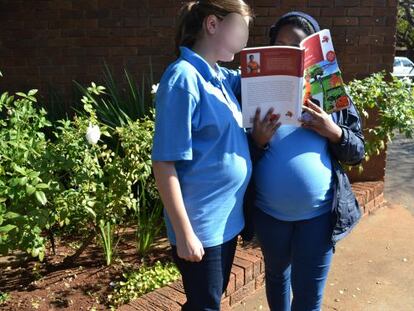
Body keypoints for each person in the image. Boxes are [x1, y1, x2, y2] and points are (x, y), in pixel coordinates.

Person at [151, 1, 279, 310]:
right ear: (212, 25)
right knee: (206, 304)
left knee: (206, 301)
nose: (246, 40)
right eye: (242, 29)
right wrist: (184, 234)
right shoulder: (183, 78)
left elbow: (261, 81)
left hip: (226, 220)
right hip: (201, 225)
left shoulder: (220, 77)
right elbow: (163, 162)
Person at [249, 11, 366, 311]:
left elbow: (357, 152)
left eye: (300, 48)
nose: (292, 53)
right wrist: (257, 141)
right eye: (283, 44)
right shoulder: (249, 90)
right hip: (269, 214)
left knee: (309, 298)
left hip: (318, 216)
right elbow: (238, 158)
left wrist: (334, 131)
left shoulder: (333, 94)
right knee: (276, 277)